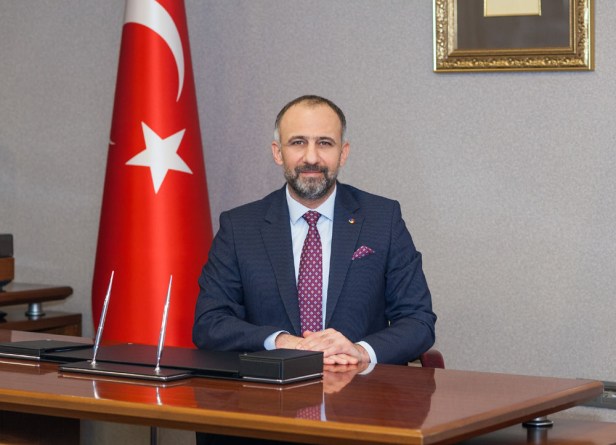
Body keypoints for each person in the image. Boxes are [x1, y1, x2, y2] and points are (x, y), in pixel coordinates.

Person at [193, 95, 436, 367]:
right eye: (298, 142)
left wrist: (360, 351)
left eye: (325, 143)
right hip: (268, 388)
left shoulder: (383, 219)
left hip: (360, 387)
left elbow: (418, 321)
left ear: (343, 153)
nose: (311, 157)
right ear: (278, 152)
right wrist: (281, 342)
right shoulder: (240, 227)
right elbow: (210, 322)